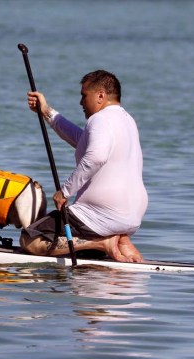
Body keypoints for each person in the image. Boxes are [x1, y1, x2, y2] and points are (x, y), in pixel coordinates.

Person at [20, 70, 148, 262]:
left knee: (30, 239)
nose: (81, 103)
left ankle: (101, 243)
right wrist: (46, 111)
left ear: (101, 96)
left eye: (84, 96)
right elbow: (81, 140)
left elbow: (96, 157)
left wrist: (65, 191)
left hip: (99, 216)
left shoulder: (100, 119)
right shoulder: (127, 120)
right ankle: (118, 240)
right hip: (131, 216)